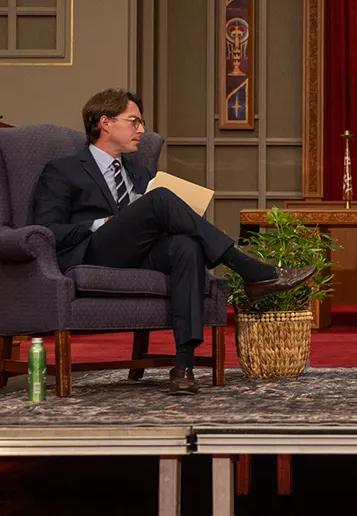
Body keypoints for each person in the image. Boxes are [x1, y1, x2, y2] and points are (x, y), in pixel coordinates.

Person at [32, 88, 317, 395]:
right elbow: (48, 230)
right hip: (94, 253)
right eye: (134, 121)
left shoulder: (138, 173)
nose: (141, 130)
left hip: (140, 254)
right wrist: (103, 224)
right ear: (105, 122)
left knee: (187, 246)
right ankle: (250, 270)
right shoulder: (64, 169)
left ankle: (184, 365)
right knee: (161, 200)